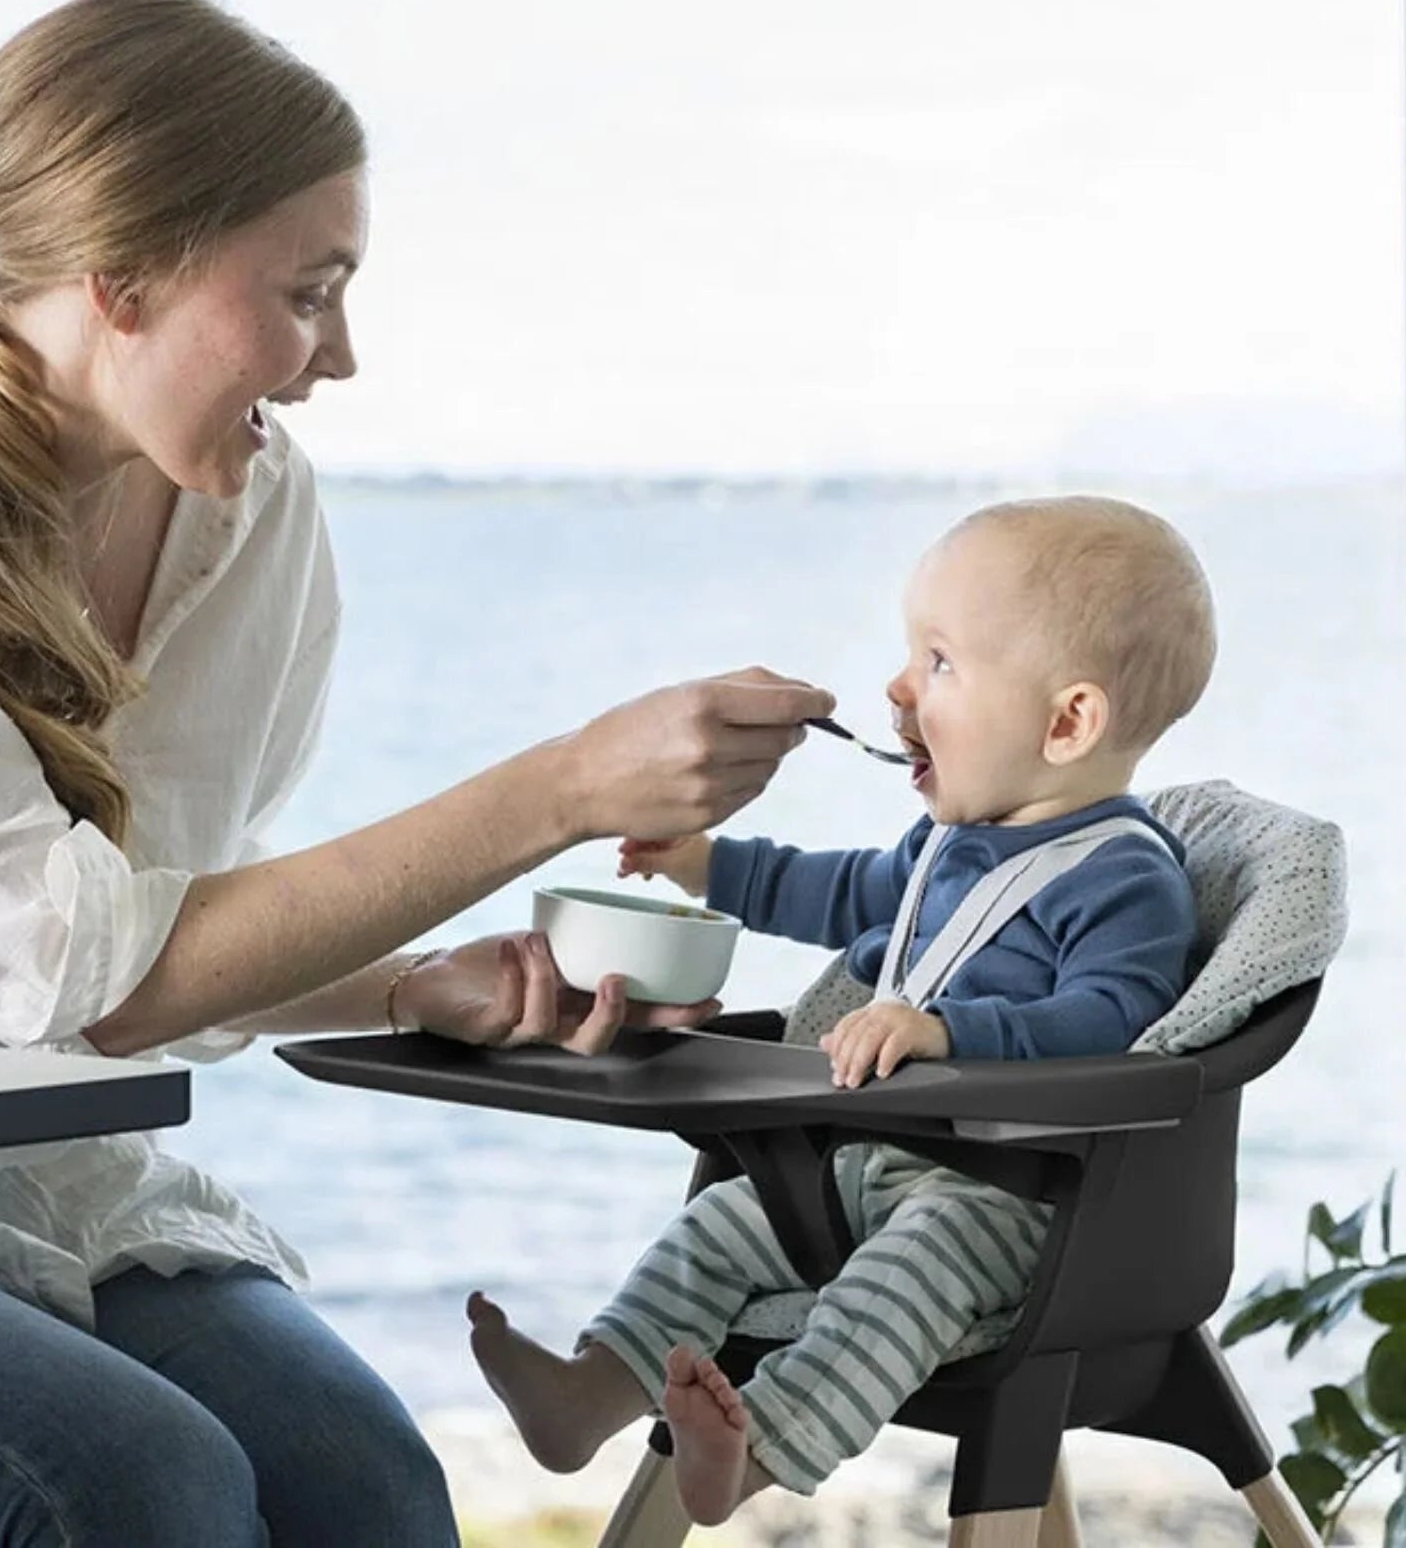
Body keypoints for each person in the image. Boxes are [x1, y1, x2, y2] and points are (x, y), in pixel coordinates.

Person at [0, 0, 836, 1548]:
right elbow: (73, 974)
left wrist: (409, 986)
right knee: (136, 1484)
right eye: (307, 292)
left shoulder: (254, 515)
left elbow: (165, 928)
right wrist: (565, 787)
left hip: (40, 1181)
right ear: (121, 277)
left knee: (367, 1482)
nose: (339, 357)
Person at [466, 494, 1217, 1525]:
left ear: (1066, 723)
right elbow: (843, 891)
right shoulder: (949, 844)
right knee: (724, 1221)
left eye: (939, 663)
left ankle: (758, 1451)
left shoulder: (1124, 878)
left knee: (911, 1267)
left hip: (1014, 1198)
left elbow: (1110, 1020)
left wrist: (948, 1033)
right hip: (873, 1162)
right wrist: (706, 866)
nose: (898, 687)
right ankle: (588, 1393)